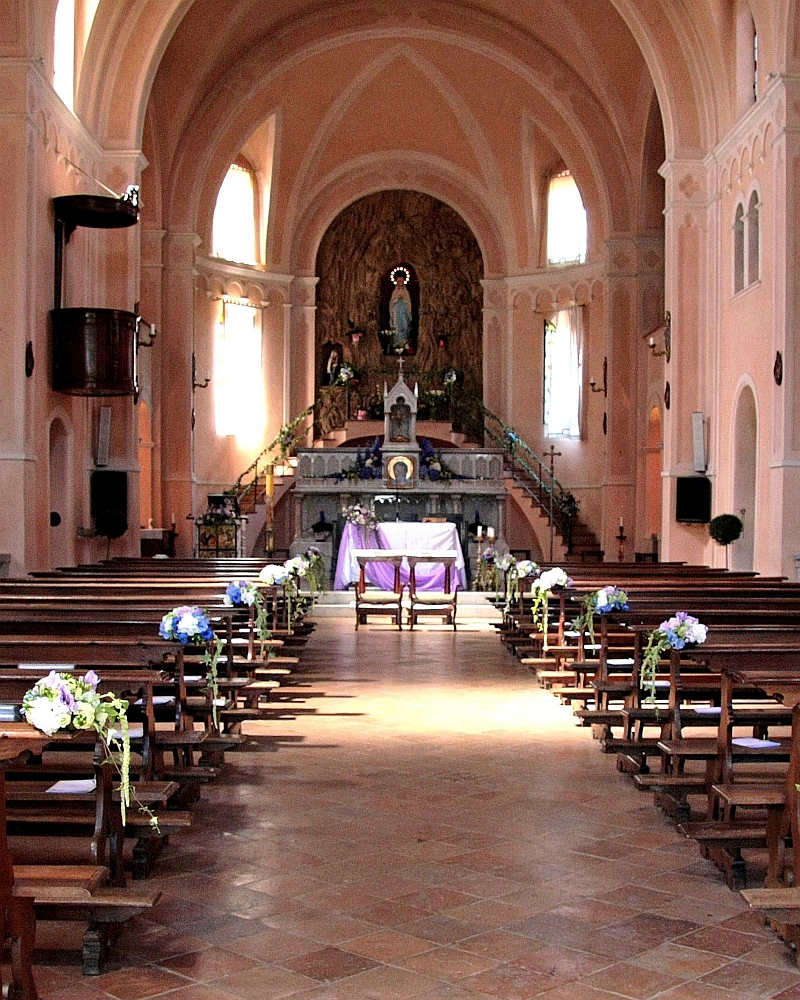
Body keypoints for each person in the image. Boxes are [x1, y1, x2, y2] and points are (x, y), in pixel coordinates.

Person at [389, 267, 412, 347]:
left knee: (405, 326)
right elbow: (391, 303)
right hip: (396, 312)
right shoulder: (394, 292)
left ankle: (405, 342)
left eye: (401, 281)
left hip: (404, 312)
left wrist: (403, 300)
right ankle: (398, 343)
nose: (400, 283)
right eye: (399, 281)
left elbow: (409, 302)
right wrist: (397, 300)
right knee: (397, 326)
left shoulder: (406, 292)